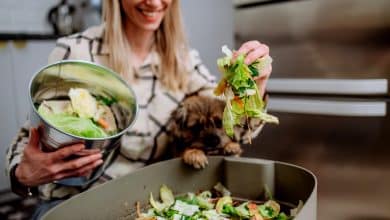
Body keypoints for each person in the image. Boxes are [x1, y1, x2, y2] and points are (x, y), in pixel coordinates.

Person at [5, 0, 272, 218]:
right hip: (76, 204)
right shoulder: (77, 51)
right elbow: (28, 143)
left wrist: (252, 87)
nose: (154, 2)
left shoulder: (183, 61)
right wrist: (23, 174)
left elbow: (230, 124)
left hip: (147, 204)